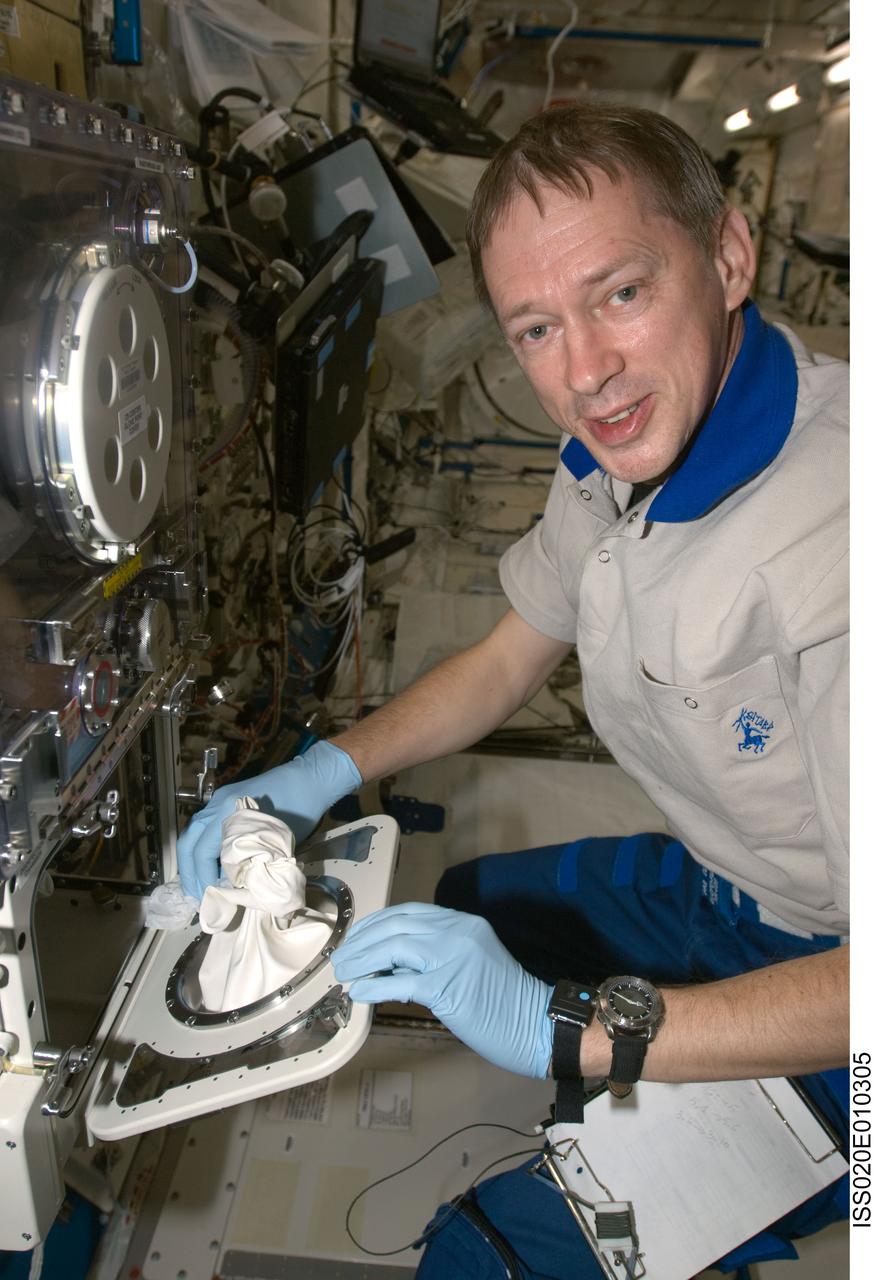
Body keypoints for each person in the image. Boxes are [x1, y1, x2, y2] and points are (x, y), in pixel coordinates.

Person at [177, 105, 849, 1274]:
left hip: (845, 995)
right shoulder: (617, 452)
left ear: (729, 256)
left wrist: (578, 1031)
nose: (585, 374)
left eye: (621, 292)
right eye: (537, 327)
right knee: (471, 905)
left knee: (480, 1256)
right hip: (735, 889)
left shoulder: (840, 541)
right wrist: (318, 771)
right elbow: (504, 658)